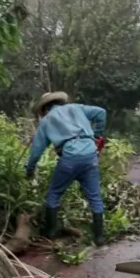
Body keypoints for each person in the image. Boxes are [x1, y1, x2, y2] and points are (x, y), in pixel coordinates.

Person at [25, 91, 108, 246]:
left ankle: (51, 232)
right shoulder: (77, 108)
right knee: (95, 196)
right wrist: (96, 135)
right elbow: (101, 112)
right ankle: (99, 237)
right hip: (90, 155)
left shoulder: (47, 120)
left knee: (54, 193)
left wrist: (29, 170)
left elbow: (36, 151)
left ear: (44, 109)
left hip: (69, 158)